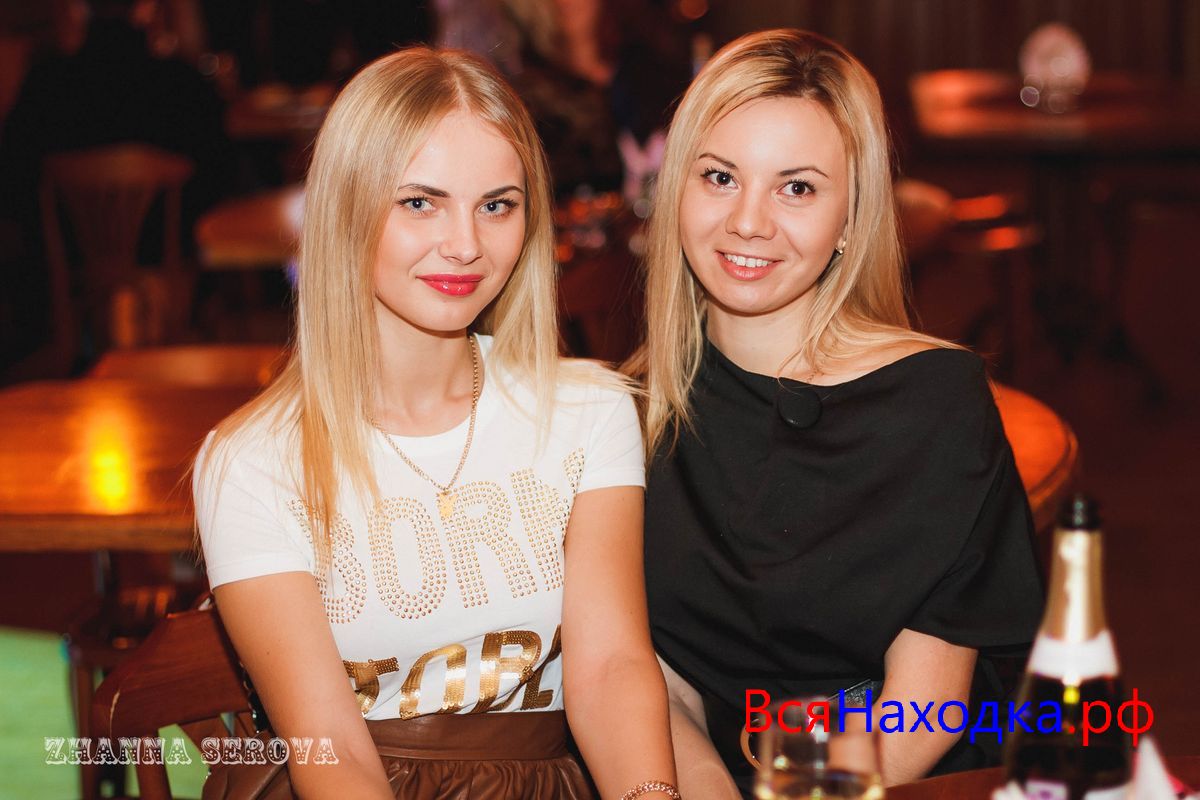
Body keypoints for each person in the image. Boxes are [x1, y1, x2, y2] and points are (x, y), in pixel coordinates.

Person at [194, 47, 678, 800]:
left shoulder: (590, 411)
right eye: (420, 203)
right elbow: (330, 749)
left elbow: (612, 669)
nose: (466, 244)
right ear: (348, 209)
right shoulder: (252, 461)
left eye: (497, 205)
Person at [634, 29, 1043, 798]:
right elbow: (657, 684)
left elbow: (925, 711)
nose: (748, 222)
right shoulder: (630, 412)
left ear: (852, 215)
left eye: (797, 189)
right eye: (720, 176)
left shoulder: (934, 405)